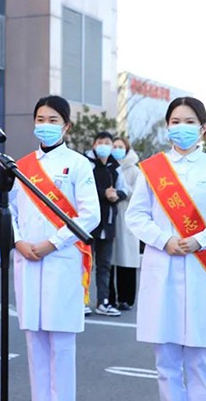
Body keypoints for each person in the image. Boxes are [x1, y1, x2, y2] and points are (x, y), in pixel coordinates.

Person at [125, 97, 206, 401]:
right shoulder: (153, 169)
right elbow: (136, 215)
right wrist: (163, 240)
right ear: (167, 127)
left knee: (200, 361)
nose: (182, 127)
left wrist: (201, 239)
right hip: (162, 267)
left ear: (203, 128)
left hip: (202, 267)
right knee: (166, 363)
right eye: (176, 122)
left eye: (190, 122)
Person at [11, 95, 100, 401]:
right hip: (27, 260)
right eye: (40, 120)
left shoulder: (78, 164)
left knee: (60, 344)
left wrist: (53, 243)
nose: (45, 125)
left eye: (53, 120)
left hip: (61, 259)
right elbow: (10, 211)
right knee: (34, 342)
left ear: (66, 126)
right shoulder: (22, 167)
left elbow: (90, 215)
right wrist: (18, 242)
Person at [86, 131, 128, 316]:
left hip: (108, 222)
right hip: (89, 223)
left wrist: (116, 195)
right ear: (94, 145)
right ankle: (81, 301)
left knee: (104, 265)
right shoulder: (86, 164)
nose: (104, 146)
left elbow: (124, 190)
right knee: (85, 264)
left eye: (107, 143)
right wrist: (104, 194)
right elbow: (82, 188)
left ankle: (103, 302)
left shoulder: (115, 167)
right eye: (100, 142)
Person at [109, 136, 141, 310]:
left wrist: (122, 190)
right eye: (114, 146)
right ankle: (109, 298)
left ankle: (126, 299)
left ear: (127, 149)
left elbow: (139, 193)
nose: (116, 149)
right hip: (110, 216)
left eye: (120, 146)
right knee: (109, 259)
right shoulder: (108, 166)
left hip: (127, 216)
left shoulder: (134, 170)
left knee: (126, 259)